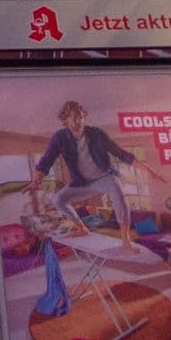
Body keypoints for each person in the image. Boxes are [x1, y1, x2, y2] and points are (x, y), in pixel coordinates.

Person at [34, 101, 143, 241]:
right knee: (57, 199)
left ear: (84, 117)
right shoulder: (60, 137)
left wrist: (148, 170)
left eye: (80, 117)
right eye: (73, 117)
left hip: (104, 177)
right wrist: (36, 179)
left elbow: (120, 153)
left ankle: (125, 238)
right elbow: (46, 160)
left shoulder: (96, 133)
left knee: (119, 194)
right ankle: (82, 228)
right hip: (83, 182)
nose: (78, 121)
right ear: (65, 120)